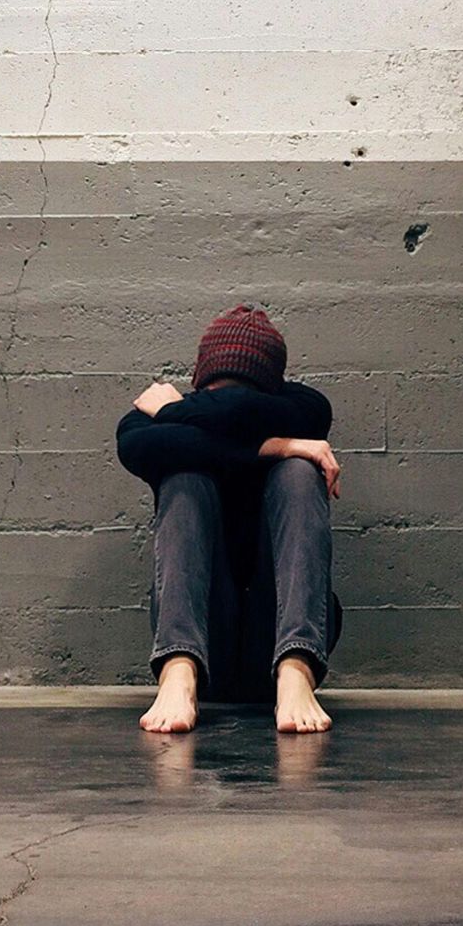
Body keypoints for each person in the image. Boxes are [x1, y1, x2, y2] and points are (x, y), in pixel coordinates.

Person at [116, 305, 344, 734]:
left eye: (243, 390)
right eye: (215, 390)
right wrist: (277, 444)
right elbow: (135, 447)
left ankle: (297, 670)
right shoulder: (145, 425)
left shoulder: (304, 407)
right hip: (205, 642)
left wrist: (175, 410)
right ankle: (177, 671)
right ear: (201, 384)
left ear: (272, 394)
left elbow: (240, 410)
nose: (228, 399)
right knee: (183, 474)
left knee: (299, 472)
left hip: (276, 633)